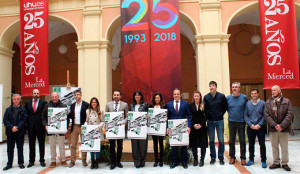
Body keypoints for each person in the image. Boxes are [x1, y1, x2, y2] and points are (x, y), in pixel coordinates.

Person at [264, 85, 293, 171]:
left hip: (284, 128)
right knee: (274, 146)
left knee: (284, 147)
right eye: (272, 90)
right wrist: (275, 125)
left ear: (279, 91)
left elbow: (289, 114)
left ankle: (284, 163)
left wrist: (281, 126)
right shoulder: (268, 102)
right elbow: (266, 115)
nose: (273, 92)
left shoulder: (287, 101)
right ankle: (276, 162)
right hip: (273, 128)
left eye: (275, 90)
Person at [166, 88, 192, 169]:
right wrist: (167, 127)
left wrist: (189, 127)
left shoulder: (185, 103)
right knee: (174, 146)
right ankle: (174, 162)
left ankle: (184, 162)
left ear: (180, 95)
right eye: (175, 94)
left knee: (184, 145)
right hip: (173, 128)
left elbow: (189, 115)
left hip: (183, 127)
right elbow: (167, 117)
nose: (176, 95)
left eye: (178, 94)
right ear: (173, 95)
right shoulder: (169, 104)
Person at [41, 92, 68, 168]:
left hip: (61, 129)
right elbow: (43, 117)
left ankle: (63, 160)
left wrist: (65, 127)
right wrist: (45, 125)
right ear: (51, 97)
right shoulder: (47, 106)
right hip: (50, 129)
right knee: (52, 145)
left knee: (61, 145)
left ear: (58, 97)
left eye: (55, 97)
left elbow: (67, 118)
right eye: (53, 97)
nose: (54, 98)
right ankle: (53, 161)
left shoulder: (63, 106)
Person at [204, 81, 227, 165]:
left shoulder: (221, 96)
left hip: (219, 121)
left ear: (216, 87)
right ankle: (213, 157)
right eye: (210, 86)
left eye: (213, 86)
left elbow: (225, 107)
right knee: (211, 140)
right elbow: (205, 109)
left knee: (221, 140)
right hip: (210, 121)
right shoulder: (206, 97)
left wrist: (220, 114)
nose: (211, 87)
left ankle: (221, 157)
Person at [3, 94, 28, 171]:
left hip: (20, 132)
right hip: (10, 133)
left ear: (19, 100)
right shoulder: (8, 109)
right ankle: (9, 164)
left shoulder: (23, 109)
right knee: (10, 149)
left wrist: (17, 127)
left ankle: (20, 163)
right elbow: (5, 120)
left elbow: (24, 120)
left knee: (20, 148)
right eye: (15, 99)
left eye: (17, 99)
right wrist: (11, 127)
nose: (16, 100)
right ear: (12, 100)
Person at [105, 90, 129, 170]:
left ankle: (118, 162)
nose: (116, 96)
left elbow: (127, 116)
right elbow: (106, 116)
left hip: (120, 129)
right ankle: (113, 163)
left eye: (117, 95)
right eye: (115, 95)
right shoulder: (108, 104)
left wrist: (124, 123)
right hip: (111, 129)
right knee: (112, 146)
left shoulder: (125, 105)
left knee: (120, 146)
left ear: (120, 96)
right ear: (113, 96)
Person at [244, 88, 267, 168]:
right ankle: (251, 159)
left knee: (262, 144)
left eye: (255, 93)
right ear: (251, 95)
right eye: (252, 94)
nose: (254, 95)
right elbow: (245, 116)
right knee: (251, 144)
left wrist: (259, 125)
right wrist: (251, 125)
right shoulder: (248, 104)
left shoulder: (263, 103)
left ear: (258, 94)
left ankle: (263, 160)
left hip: (260, 127)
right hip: (251, 127)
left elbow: (265, 115)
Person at [227, 82, 248, 165]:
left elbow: (247, 108)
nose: (234, 89)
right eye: (233, 87)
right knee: (231, 141)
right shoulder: (228, 98)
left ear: (239, 88)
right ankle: (232, 157)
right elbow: (228, 109)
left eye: (236, 87)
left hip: (241, 122)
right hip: (231, 122)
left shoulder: (244, 97)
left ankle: (243, 158)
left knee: (242, 141)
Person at [25, 89, 47, 168]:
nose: (36, 95)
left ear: (39, 94)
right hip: (31, 127)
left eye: (37, 93)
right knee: (31, 145)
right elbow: (26, 115)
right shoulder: (27, 103)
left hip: (40, 127)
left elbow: (45, 114)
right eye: (34, 93)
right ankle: (31, 161)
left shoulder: (43, 103)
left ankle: (42, 160)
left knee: (41, 145)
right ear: (32, 94)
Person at [67, 90, 89, 168]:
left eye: (78, 95)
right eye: (75, 95)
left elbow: (88, 116)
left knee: (84, 144)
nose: (76, 96)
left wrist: (86, 125)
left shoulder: (86, 104)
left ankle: (84, 160)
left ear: (81, 95)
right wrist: (67, 114)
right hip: (74, 126)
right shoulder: (72, 105)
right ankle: (72, 161)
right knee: (73, 144)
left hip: (83, 126)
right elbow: (71, 116)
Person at [83, 97, 104, 169]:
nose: (93, 104)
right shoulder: (87, 111)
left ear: (97, 103)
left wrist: (101, 126)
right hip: (90, 131)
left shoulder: (100, 111)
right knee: (91, 147)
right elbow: (86, 121)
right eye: (92, 102)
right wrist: (84, 126)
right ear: (90, 103)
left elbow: (103, 121)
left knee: (97, 147)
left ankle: (97, 162)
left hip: (98, 131)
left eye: (95, 102)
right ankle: (92, 162)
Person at [129, 91, 148, 168]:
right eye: (135, 95)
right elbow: (130, 115)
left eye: (138, 95)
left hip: (142, 128)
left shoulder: (145, 104)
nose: (137, 96)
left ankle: (142, 162)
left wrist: (147, 116)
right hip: (133, 127)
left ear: (141, 96)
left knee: (143, 145)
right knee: (134, 146)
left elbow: (148, 113)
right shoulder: (131, 105)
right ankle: (136, 162)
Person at [189, 91, 208, 167]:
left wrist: (201, 124)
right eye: (195, 96)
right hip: (193, 128)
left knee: (203, 144)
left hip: (202, 127)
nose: (196, 97)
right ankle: (195, 159)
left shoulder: (204, 105)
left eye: (198, 96)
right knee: (194, 144)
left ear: (200, 97)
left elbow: (206, 116)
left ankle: (202, 159)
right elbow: (189, 116)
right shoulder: (190, 105)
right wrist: (193, 124)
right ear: (193, 97)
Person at [149, 92, 165, 167]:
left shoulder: (163, 106)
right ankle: (156, 160)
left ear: (160, 98)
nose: (157, 99)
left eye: (158, 98)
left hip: (161, 128)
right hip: (153, 128)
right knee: (155, 143)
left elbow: (166, 115)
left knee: (161, 143)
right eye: (155, 98)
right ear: (154, 99)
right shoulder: (151, 106)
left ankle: (161, 160)